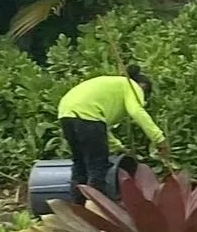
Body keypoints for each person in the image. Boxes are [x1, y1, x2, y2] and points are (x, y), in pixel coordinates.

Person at [56, 65, 163, 202]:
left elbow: (100, 128)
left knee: (80, 164)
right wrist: (159, 139)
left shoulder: (114, 84)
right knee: (98, 166)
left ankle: (78, 206)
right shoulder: (133, 86)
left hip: (65, 114)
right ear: (143, 87)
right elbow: (137, 112)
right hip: (88, 115)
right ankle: (97, 206)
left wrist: (119, 147)